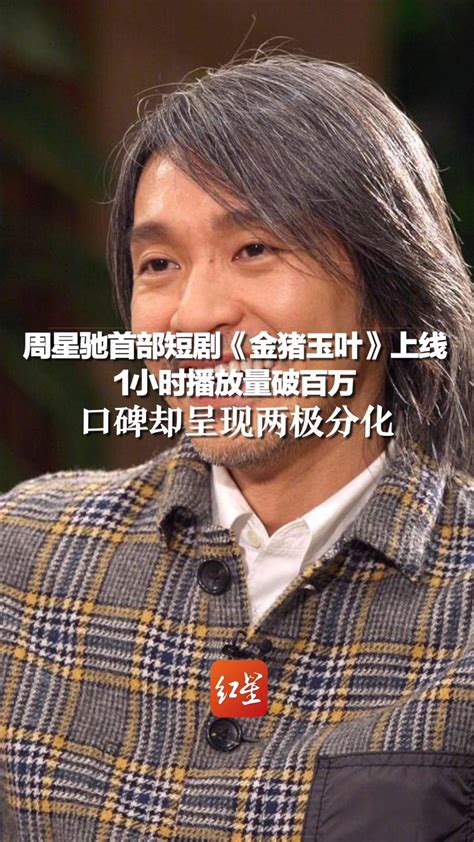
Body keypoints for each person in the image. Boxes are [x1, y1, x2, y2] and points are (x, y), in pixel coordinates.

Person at [0, 54, 472, 841]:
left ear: (389, 288)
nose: (194, 315)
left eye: (254, 248)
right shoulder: (25, 558)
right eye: (159, 265)